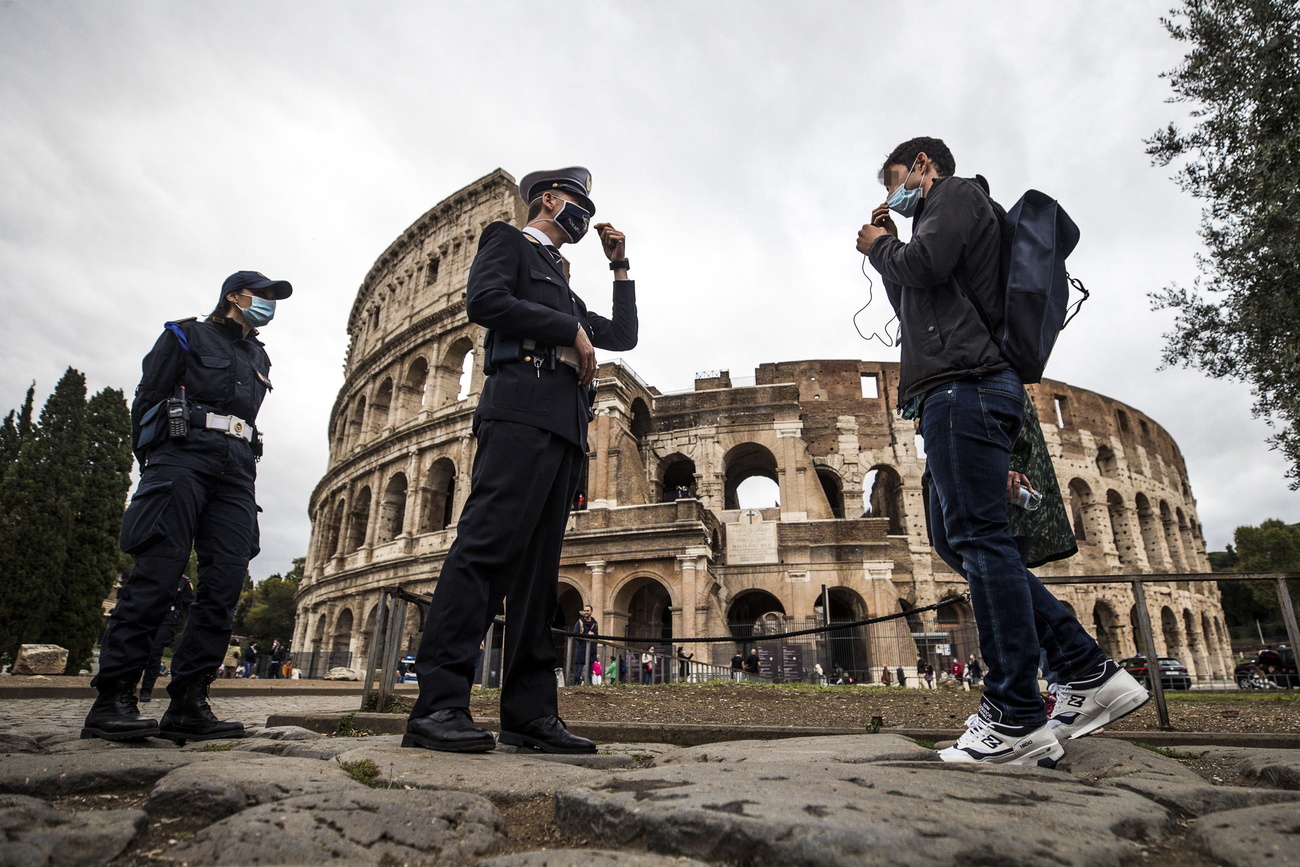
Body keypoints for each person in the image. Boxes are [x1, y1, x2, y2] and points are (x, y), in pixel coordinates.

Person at [857, 137, 1147, 765]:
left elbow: (924, 266)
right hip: (951, 392)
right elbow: (915, 300)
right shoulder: (939, 222)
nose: (892, 197)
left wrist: (881, 246)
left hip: (966, 387)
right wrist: (890, 254)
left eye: (895, 183)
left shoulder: (957, 196)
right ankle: (1085, 669)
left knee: (981, 541)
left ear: (923, 168)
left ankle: (1015, 714)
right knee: (956, 540)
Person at [404, 167, 636, 755]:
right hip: (518, 409)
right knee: (484, 551)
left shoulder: (564, 278)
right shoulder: (507, 243)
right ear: (549, 200)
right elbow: (484, 301)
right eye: (577, 201)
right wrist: (567, 329)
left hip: (562, 425)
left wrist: (619, 266)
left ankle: (529, 715)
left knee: (539, 574)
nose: (584, 213)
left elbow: (624, 336)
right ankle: (438, 706)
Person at [82, 271, 291, 744]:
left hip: (237, 470)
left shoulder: (257, 354)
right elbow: (148, 399)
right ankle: (113, 697)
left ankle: (189, 701)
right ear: (235, 296)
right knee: (157, 574)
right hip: (181, 459)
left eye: (274, 298)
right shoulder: (184, 334)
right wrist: (155, 464)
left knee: (224, 583)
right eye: (263, 296)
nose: (270, 304)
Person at [139, 576, 194, 702]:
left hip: (167, 619)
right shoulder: (153, 571)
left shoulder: (182, 581)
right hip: (146, 615)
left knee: (154, 653)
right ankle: (126, 688)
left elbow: (189, 604)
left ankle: (146, 690)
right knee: (138, 651)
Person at [572, 605, 599, 685]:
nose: (586, 612)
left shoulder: (595, 623)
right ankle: (575, 686)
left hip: (591, 650)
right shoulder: (579, 623)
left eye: (587, 611)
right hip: (582, 649)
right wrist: (586, 634)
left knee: (590, 671)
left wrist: (593, 635)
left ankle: (590, 686)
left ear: (591, 612)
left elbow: (597, 636)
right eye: (585, 611)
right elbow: (575, 635)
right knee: (579, 670)